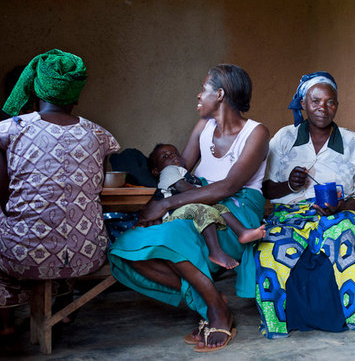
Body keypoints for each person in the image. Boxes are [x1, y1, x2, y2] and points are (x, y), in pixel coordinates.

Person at [108, 64, 269, 352]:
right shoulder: (203, 128)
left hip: (236, 209)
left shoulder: (256, 133)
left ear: (219, 94)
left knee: (172, 238)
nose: (198, 94)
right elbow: (178, 173)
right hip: (196, 203)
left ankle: (218, 314)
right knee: (127, 247)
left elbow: (228, 186)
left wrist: (166, 205)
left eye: (204, 88)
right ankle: (213, 302)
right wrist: (158, 207)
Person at [0, 50, 119, 336]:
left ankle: (7, 323)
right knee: (67, 220)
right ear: (75, 94)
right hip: (87, 253)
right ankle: (63, 311)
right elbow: (94, 188)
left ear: (35, 89)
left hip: (24, 255)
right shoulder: (100, 135)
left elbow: (4, 197)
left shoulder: (6, 130)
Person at [256, 72, 355, 338]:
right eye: (315, 101)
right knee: (272, 247)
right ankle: (279, 320)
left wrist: (342, 206)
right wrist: (290, 185)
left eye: (330, 102)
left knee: (345, 236)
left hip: (338, 213)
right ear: (303, 104)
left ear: (337, 105)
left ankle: (353, 312)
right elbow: (265, 188)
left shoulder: (349, 141)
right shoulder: (285, 138)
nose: (323, 107)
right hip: (291, 214)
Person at [148, 143, 265, 269]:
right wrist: (202, 195)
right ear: (156, 171)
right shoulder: (168, 171)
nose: (172, 157)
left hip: (189, 208)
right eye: (165, 157)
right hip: (173, 213)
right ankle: (215, 252)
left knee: (218, 207)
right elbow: (182, 187)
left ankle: (242, 232)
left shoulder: (186, 174)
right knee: (203, 209)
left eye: (175, 153)